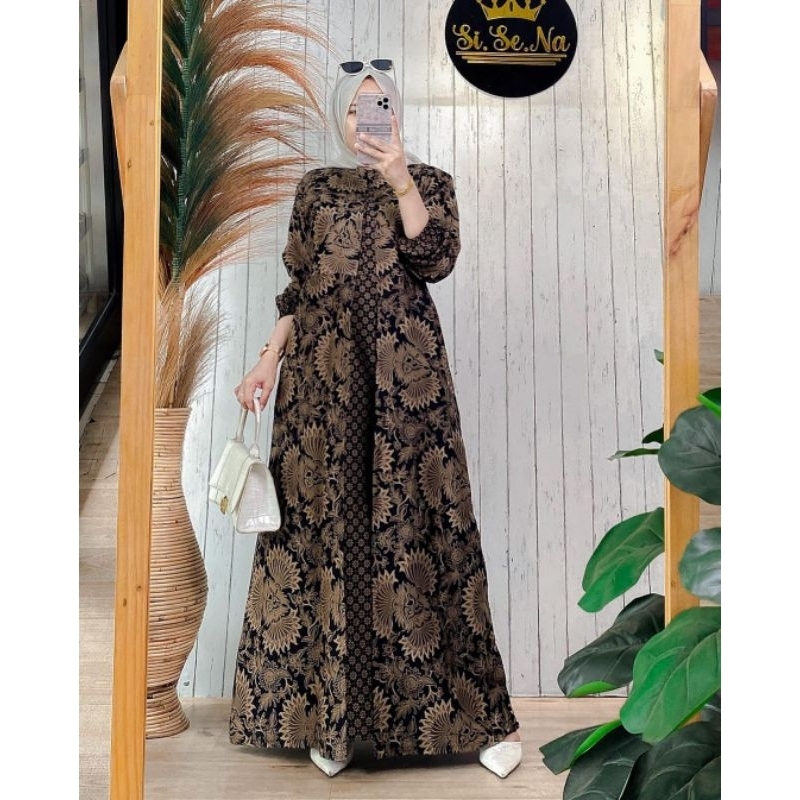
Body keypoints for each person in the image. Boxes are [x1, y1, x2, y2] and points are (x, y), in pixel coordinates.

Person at [230, 58, 522, 780]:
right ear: (341, 117)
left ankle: (478, 719)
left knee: (425, 529)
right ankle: (331, 724)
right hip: (322, 386)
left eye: (382, 105)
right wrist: (267, 360)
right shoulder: (315, 189)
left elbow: (435, 257)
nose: (370, 118)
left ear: (397, 112)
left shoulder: (429, 183)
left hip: (405, 389)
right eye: (358, 107)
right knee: (325, 531)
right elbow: (299, 288)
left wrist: (400, 180)